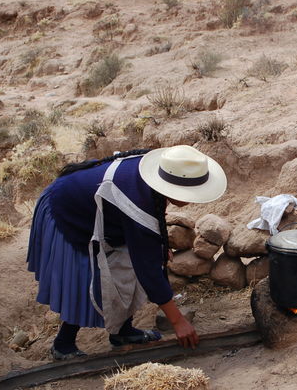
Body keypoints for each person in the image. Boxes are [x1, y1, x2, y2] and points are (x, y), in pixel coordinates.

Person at [27, 145, 227, 360]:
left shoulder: (153, 179)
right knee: (87, 276)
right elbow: (148, 268)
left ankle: (122, 332)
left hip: (103, 212)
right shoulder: (136, 199)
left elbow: (150, 221)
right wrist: (177, 321)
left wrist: (159, 244)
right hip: (67, 211)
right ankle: (63, 344)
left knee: (126, 265)